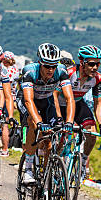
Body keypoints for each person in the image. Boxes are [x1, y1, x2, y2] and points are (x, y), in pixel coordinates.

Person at [17, 43, 75, 185]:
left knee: (51, 140)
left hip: (46, 101)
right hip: (27, 101)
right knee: (33, 122)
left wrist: (69, 122)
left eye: (53, 66)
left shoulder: (61, 71)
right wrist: (39, 123)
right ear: (40, 63)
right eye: (47, 66)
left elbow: (70, 99)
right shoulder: (29, 71)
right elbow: (29, 101)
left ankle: (45, 175)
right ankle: (28, 169)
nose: (50, 70)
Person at [54, 45, 101, 180]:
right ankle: (54, 161)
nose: (95, 67)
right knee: (61, 137)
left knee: (91, 133)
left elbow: (98, 103)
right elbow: (54, 95)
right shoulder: (69, 73)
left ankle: (83, 162)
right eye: (91, 64)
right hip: (60, 104)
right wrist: (59, 118)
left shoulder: (97, 78)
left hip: (77, 103)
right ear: (82, 62)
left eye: (98, 64)